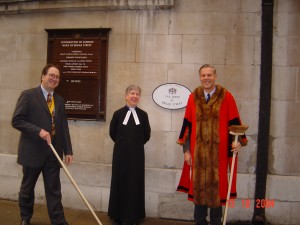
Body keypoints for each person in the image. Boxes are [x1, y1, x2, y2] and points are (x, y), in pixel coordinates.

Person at [176, 64, 247, 225]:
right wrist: (186, 151)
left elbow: (235, 121)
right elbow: (188, 125)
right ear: (200, 77)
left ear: (215, 77)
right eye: (203, 75)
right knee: (199, 192)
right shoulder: (193, 97)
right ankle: (199, 221)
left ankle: (216, 221)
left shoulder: (226, 97)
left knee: (217, 191)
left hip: (218, 155)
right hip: (198, 154)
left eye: (209, 75)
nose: (206, 78)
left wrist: (238, 143)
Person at [12, 64, 73, 225]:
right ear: (43, 76)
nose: (54, 79)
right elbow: (17, 121)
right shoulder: (28, 95)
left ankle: (58, 221)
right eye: (51, 75)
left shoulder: (59, 100)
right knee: (27, 188)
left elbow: (63, 127)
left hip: (53, 153)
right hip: (33, 151)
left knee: (54, 190)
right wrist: (38, 130)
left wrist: (68, 150)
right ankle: (25, 217)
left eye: (57, 77)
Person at [108, 85, 151, 225]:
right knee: (120, 183)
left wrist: (134, 146)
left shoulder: (143, 115)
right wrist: (124, 145)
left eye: (137, 94)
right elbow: (112, 133)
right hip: (120, 155)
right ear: (126, 96)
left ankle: (134, 216)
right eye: (132, 93)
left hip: (137, 156)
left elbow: (146, 135)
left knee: (135, 183)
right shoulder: (117, 114)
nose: (134, 96)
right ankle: (118, 215)